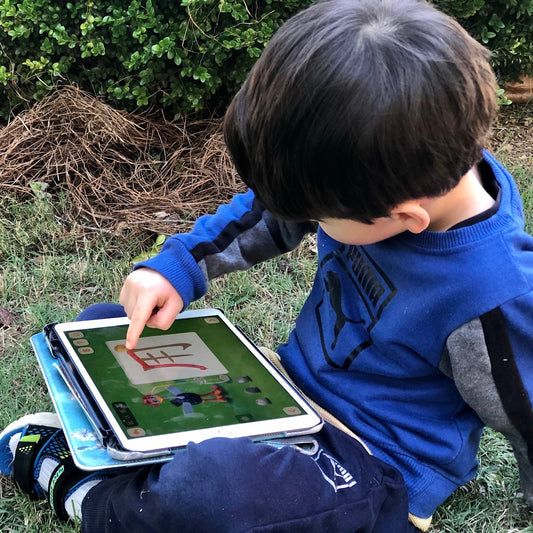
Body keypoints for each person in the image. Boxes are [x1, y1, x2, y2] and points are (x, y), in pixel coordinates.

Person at [2, 0, 533, 531]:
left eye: (315, 215)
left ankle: (82, 490)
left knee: (213, 489)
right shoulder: (384, 169)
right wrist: (176, 268)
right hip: (281, 392)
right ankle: (139, 462)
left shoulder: (495, 294)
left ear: (405, 218)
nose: (299, 219)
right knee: (108, 327)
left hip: (371, 466)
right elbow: (272, 209)